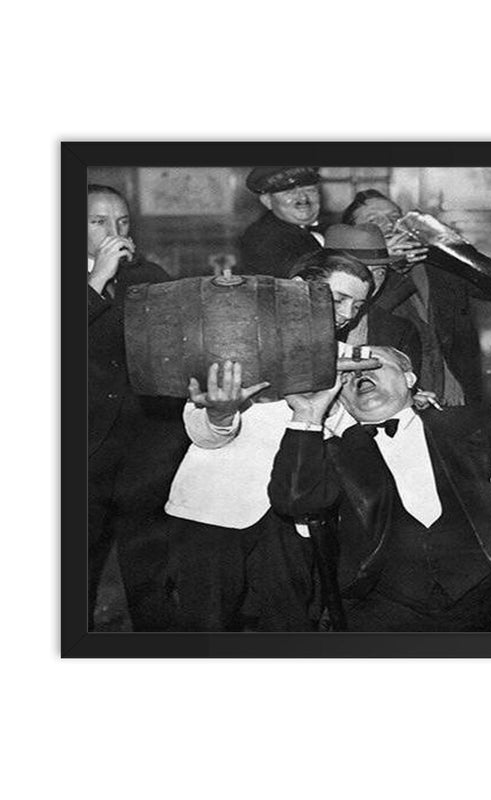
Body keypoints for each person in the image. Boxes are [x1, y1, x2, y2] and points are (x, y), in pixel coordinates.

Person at [269, 346, 491, 632]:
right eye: (345, 377)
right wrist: (307, 414)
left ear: (409, 377)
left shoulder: (477, 425)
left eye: (373, 365)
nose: (359, 376)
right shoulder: (332, 452)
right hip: (379, 619)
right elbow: (296, 503)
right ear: (341, 401)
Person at [164, 251, 375, 631]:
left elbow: (348, 431)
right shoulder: (232, 340)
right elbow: (200, 434)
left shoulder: (347, 360)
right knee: (204, 630)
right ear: (298, 291)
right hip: (213, 512)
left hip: (291, 518)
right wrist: (221, 414)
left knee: (289, 626)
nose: (347, 315)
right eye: (339, 299)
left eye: (357, 306)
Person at [87, 183, 187, 630]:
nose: (116, 232)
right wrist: (95, 280)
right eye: (99, 222)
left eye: (123, 222)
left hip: (144, 448)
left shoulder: (147, 277)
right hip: (82, 450)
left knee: (151, 576)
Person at [341, 190, 491, 406]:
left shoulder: (440, 268)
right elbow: (364, 323)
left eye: (394, 216)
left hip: (460, 399)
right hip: (390, 402)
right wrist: (383, 264)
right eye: (374, 220)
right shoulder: (347, 278)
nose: (390, 224)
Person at [323, 223, 422, 375]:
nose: (371, 283)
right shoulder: (293, 320)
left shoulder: (398, 330)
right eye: (360, 271)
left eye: (379, 272)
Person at [240, 166, 323, 276]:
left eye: (310, 190)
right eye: (289, 193)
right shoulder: (264, 239)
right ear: (267, 201)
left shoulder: (329, 228)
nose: (303, 198)